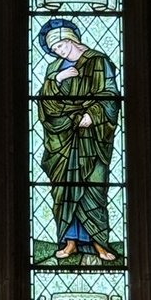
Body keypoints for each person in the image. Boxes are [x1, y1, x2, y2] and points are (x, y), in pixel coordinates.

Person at [36, 18, 119, 261]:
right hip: (63, 137)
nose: (58, 52)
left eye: (60, 47)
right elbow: (45, 104)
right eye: (54, 51)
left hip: (92, 136)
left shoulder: (98, 61)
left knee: (94, 188)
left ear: (70, 39)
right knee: (64, 190)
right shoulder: (55, 69)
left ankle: (98, 242)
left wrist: (93, 115)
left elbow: (111, 95)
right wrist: (58, 80)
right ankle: (70, 241)